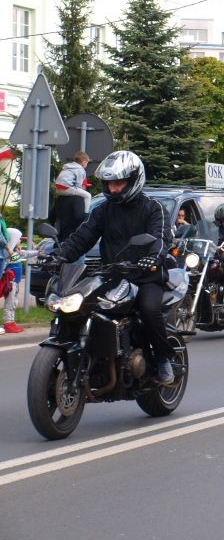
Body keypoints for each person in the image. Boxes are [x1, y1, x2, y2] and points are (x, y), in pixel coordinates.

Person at [51, 151, 176, 384]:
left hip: (146, 276)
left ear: (134, 180)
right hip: (112, 275)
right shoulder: (102, 211)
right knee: (82, 306)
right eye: (109, 184)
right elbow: (82, 237)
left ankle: (162, 358)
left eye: (118, 183)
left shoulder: (153, 208)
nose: (113, 188)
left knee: (148, 309)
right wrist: (59, 256)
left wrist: (153, 258)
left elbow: (160, 238)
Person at [2, 228, 39, 333]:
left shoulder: (15, 250)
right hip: (10, 282)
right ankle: (8, 323)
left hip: (15, 281)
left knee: (14, 302)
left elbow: (25, 253)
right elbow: (3, 266)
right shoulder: (7, 252)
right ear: (13, 239)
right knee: (10, 303)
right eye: (18, 238)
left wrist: (37, 252)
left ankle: (11, 322)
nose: (19, 240)